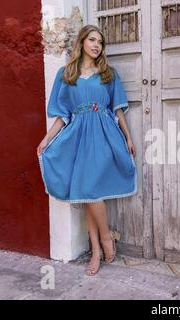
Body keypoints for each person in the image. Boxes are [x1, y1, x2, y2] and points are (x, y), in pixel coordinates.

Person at [36, 25, 137, 276]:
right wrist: (47, 139)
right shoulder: (66, 74)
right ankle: (100, 244)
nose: (96, 45)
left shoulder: (107, 74)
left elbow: (117, 109)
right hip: (79, 136)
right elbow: (62, 115)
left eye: (100, 42)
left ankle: (101, 243)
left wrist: (128, 137)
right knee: (87, 192)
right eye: (92, 40)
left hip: (104, 134)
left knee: (91, 190)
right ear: (82, 42)